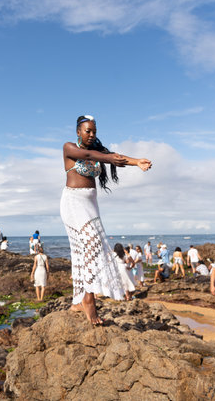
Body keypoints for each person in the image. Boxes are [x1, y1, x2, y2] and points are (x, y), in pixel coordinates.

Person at [60, 115, 152, 325]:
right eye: (87, 131)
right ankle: (88, 301)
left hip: (90, 204)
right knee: (90, 247)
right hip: (73, 203)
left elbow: (115, 157)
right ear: (78, 132)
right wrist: (108, 158)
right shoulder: (69, 148)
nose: (91, 134)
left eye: (94, 131)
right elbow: (88, 154)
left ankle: (78, 300)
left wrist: (137, 162)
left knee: (85, 251)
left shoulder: (99, 152)